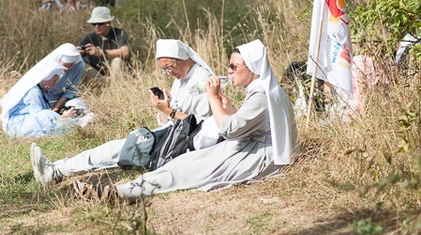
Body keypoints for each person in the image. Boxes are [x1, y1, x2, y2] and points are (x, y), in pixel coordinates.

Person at [71, 39, 299, 203]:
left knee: (186, 171)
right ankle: (120, 190)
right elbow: (248, 123)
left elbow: (224, 129)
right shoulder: (263, 90)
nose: (229, 71)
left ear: (253, 68)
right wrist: (228, 108)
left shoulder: (259, 93)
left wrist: (212, 99)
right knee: (179, 165)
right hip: (241, 144)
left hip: (255, 154)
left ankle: (119, 194)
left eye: (233, 66)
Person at [31, 39, 215, 188]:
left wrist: (169, 110)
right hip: (169, 135)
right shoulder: (181, 78)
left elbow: (200, 126)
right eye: (164, 69)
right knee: (115, 149)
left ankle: (56, 171)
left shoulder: (201, 79)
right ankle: (56, 169)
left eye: (169, 67)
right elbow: (169, 119)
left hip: (183, 144)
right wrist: (163, 109)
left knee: (115, 149)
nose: (168, 73)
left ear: (182, 58)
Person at [0, 59, 92, 137]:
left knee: (52, 121)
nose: (54, 83)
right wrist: (62, 117)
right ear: (46, 77)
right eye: (54, 80)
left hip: (25, 123)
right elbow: (38, 117)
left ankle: (80, 122)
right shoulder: (33, 92)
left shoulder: (40, 90)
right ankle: (79, 122)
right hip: (20, 124)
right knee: (47, 117)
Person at [77, 6, 131, 79]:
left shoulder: (118, 33)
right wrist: (77, 53)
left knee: (117, 61)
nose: (97, 26)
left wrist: (102, 52)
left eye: (100, 23)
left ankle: (114, 88)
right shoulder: (90, 37)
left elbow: (125, 52)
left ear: (109, 22)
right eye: (94, 24)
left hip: (116, 76)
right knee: (79, 65)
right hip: (98, 78)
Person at [42, 43, 86, 113]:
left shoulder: (79, 66)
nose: (67, 68)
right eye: (65, 65)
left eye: (70, 65)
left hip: (60, 101)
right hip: (43, 100)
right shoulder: (49, 64)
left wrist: (56, 109)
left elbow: (71, 91)